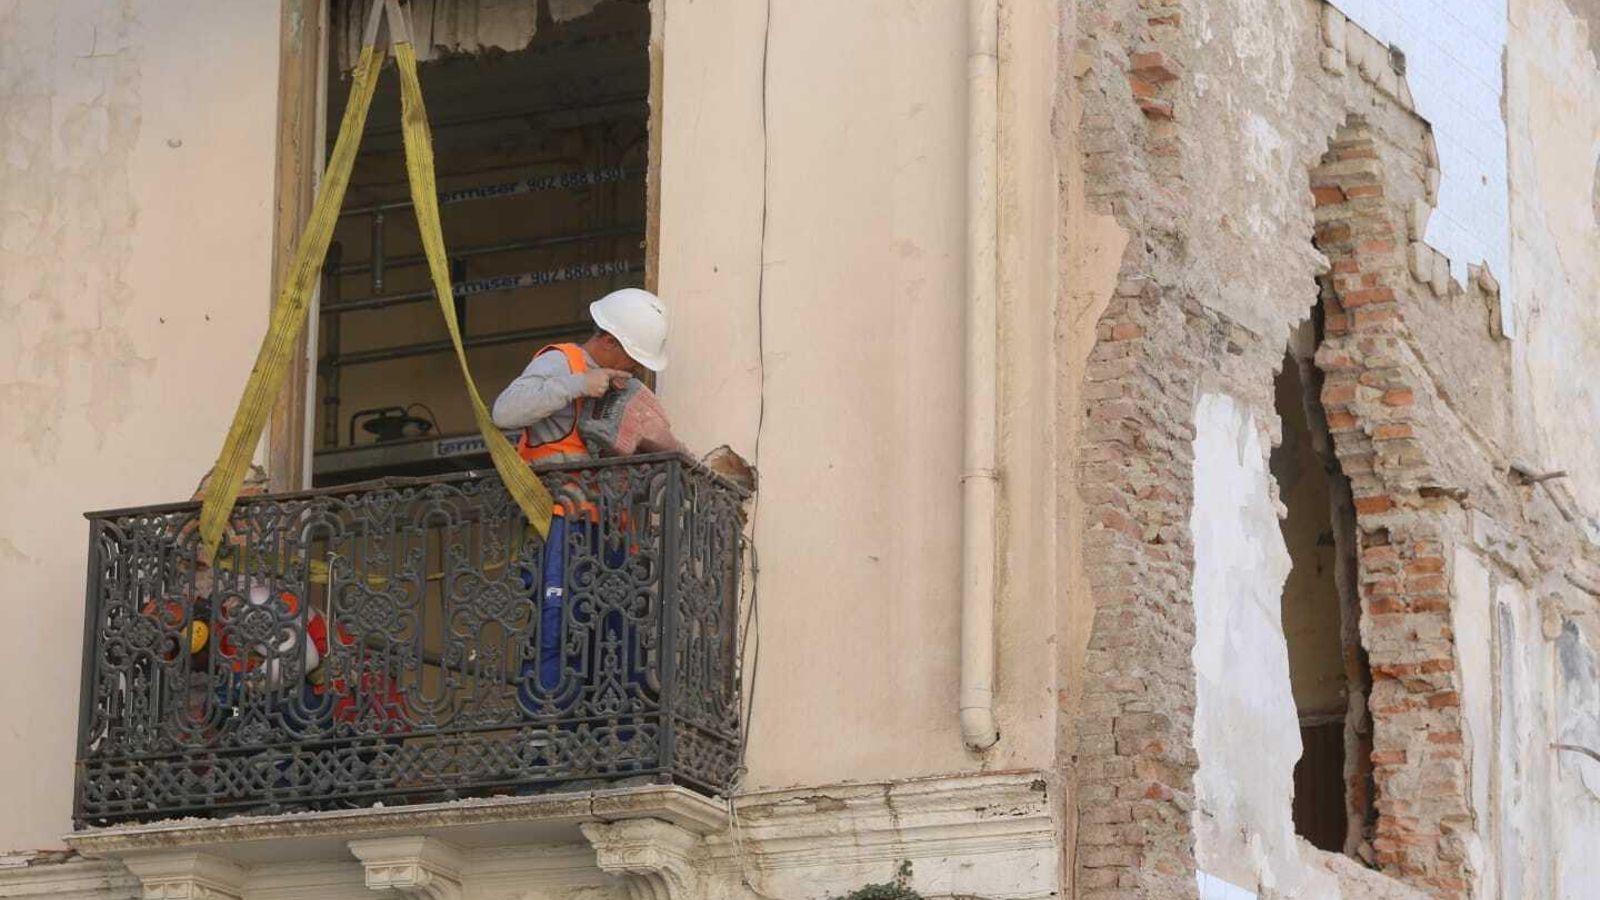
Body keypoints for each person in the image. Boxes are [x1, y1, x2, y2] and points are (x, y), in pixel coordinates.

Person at [491, 288, 671, 722]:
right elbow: (504, 411)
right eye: (632, 357)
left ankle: (620, 743)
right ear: (609, 341)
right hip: (563, 526)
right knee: (559, 631)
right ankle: (545, 745)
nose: (635, 369)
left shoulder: (622, 386)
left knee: (618, 638)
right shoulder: (562, 362)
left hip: (608, 532)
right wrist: (578, 385)